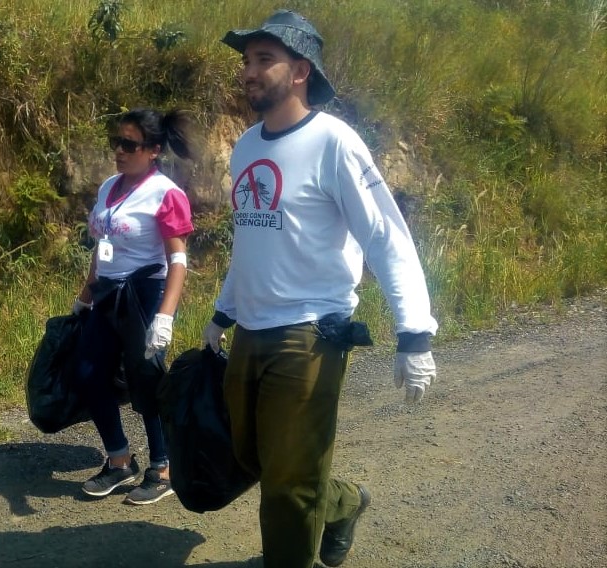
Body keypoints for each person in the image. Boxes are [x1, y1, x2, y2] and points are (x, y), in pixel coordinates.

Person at [202, 10, 439, 568]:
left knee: (286, 487)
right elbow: (252, 242)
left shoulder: (335, 142)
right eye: (246, 61)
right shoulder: (245, 147)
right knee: (255, 456)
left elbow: (386, 237)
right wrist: (221, 314)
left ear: (301, 70)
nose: (249, 71)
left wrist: (414, 332)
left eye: (264, 60)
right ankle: (343, 502)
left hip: (309, 335)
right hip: (252, 331)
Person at [71, 107, 195, 506]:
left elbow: (178, 260)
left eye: (129, 144)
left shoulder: (166, 194)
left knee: (146, 381)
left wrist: (165, 317)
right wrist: (84, 297)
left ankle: (162, 467)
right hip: (109, 293)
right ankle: (119, 459)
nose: (119, 152)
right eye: (116, 143)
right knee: (89, 372)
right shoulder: (109, 187)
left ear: (154, 150)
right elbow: (102, 248)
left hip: (145, 293)